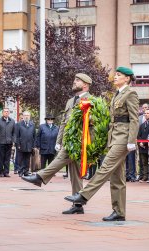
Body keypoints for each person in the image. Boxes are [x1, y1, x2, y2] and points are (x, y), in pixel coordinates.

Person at [64, 67, 139, 221]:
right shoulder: (116, 95)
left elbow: (134, 119)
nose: (115, 77)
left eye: (119, 75)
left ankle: (84, 196)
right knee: (117, 178)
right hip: (114, 137)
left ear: (127, 78)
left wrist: (131, 141)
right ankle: (119, 212)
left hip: (123, 138)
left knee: (105, 167)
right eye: (115, 75)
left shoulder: (130, 93)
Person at [22, 73, 93, 215]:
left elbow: (93, 123)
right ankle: (78, 205)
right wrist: (59, 141)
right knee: (75, 174)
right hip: (69, 140)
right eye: (75, 79)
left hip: (81, 141)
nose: (74, 82)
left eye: (77, 80)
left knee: (61, 158)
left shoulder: (91, 100)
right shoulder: (70, 101)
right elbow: (64, 123)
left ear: (85, 84)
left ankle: (40, 177)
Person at [0, 108, 16, 177]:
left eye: (7, 112)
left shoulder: (12, 121)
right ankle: (0, 172)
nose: (6, 113)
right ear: (2, 113)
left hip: (9, 142)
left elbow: (14, 133)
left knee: (7, 158)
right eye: (5, 112)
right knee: (1, 158)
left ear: (9, 113)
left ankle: (6, 172)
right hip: (1, 142)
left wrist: (13, 141)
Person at [15, 111, 36, 176]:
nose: (26, 117)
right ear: (23, 116)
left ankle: (26, 171)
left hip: (29, 145)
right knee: (21, 159)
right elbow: (17, 136)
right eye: (25, 115)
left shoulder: (32, 124)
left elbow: (34, 135)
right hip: (21, 144)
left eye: (28, 115)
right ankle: (20, 171)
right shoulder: (19, 124)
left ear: (29, 116)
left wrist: (34, 145)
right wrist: (18, 144)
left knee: (27, 159)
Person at [137, 109, 149, 182]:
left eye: (148, 113)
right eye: (145, 113)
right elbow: (139, 135)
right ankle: (145, 176)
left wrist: (144, 143)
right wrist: (140, 142)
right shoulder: (142, 125)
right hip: (142, 147)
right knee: (144, 162)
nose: (146, 114)